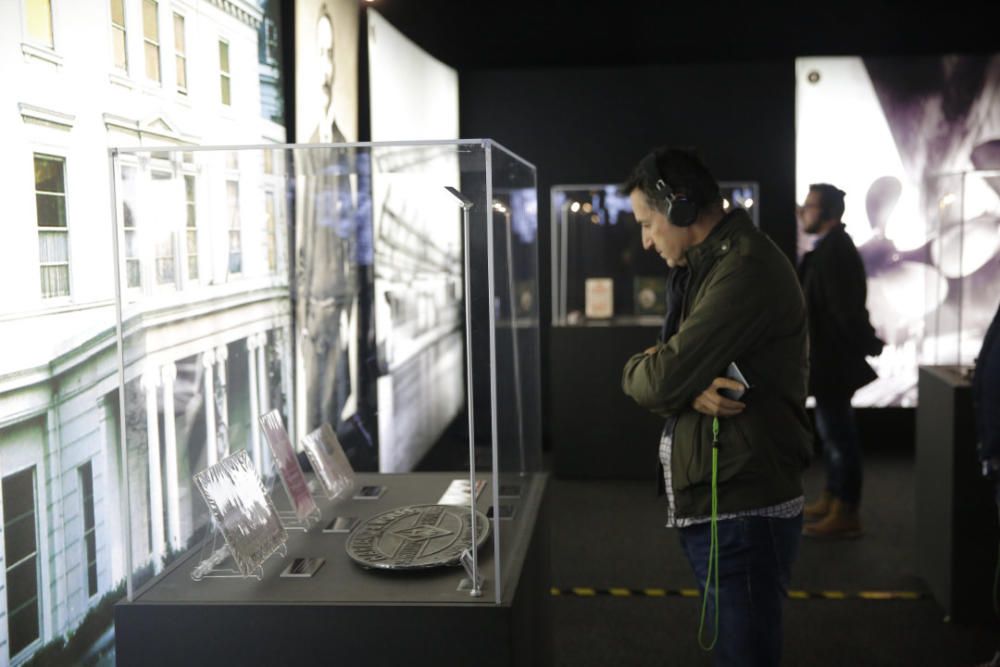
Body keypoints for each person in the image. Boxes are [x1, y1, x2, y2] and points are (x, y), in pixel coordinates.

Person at [621, 148, 812, 666]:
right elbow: (675, 373)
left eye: (647, 223)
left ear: (680, 209)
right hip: (726, 497)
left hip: (743, 508)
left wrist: (668, 375)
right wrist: (684, 378)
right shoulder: (709, 266)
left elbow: (659, 379)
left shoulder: (742, 269)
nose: (645, 240)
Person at [796, 184, 884, 539]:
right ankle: (834, 499)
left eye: (810, 206)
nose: (803, 211)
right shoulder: (830, 249)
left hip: (833, 362)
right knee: (832, 433)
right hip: (828, 361)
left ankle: (846, 510)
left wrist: (869, 343)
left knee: (839, 436)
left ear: (828, 211)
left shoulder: (835, 251)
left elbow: (844, 310)